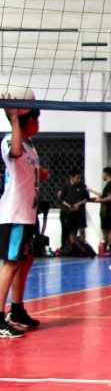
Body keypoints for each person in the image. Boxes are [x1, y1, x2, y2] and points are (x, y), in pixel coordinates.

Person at [0, 106, 42, 337]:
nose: (39, 123)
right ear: (29, 119)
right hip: (14, 213)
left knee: (25, 260)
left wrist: (40, 173)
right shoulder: (10, 141)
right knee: (11, 263)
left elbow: (22, 169)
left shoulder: (30, 145)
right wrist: (14, 118)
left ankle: (16, 310)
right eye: (36, 118)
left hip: (28, 213)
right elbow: (14, 153)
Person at [89, 167, 111, 255]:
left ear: (105, 174)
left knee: (108, 229)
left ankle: (109, 248)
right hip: (106, 210)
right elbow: (104, 195)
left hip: (107, 210)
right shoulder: (109, 184)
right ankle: (106, 248)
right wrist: (92, 191)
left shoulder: (110, 185)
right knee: (106, 229)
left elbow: (110, 198)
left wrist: (99, 200)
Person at [59, 171, 89, 246]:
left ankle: (83, 246)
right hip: (70, 212)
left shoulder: (82, 186)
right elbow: (61, 199)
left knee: (82, 229)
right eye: (77, 178)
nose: (79, 180)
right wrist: (68, 205)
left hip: (80, 211)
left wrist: (78, 204)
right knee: (72, 230)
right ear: (71, 177)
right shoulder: (66, 186)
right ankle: (73, 247)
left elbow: (87, 198)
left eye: (79, 178)